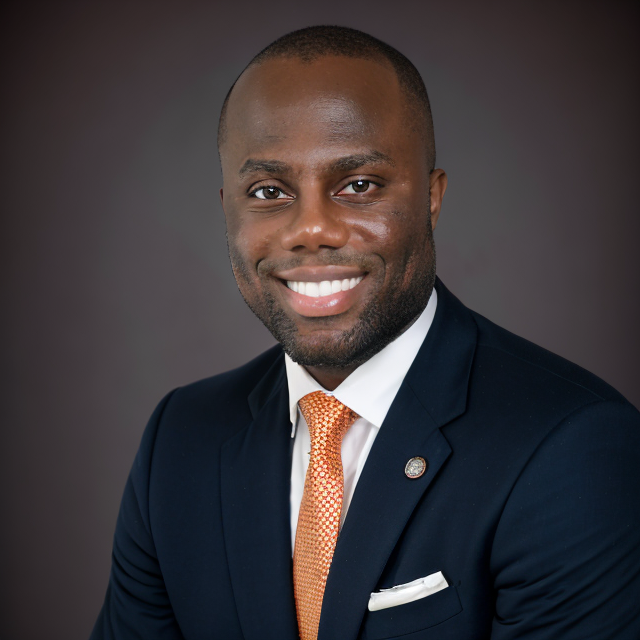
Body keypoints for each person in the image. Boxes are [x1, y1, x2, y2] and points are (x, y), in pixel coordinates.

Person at [91, 26, 640, 640]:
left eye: (359, 185)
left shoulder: (572, 449)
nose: (312, 229)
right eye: (269, 192)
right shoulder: (181, 440)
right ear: (228, 209)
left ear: (431, 199)